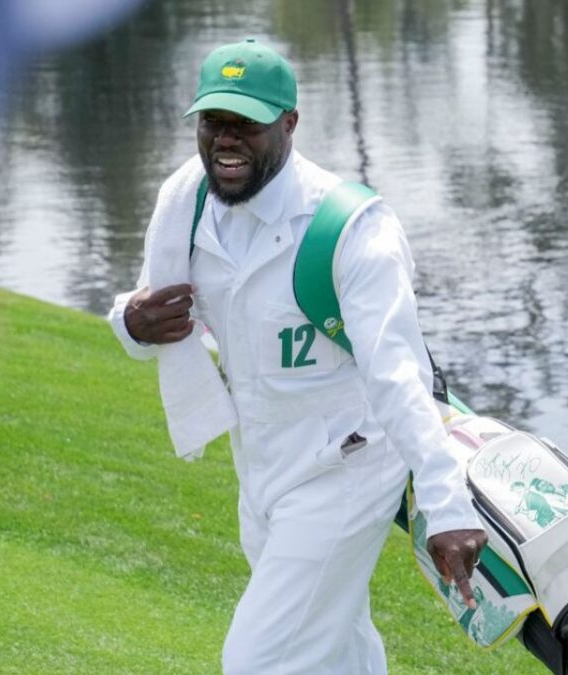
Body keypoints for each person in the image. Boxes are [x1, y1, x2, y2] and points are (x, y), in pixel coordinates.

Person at [108, 39, 487, 674]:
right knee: (338, 646)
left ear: (290, 123)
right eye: (213, 122)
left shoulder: (353, 229)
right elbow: (146, 300)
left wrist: (447, 504)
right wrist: (130, 323)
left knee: (257, 661)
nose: (226, 140)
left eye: (247, 124)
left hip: (348, 467)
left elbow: (399, 375)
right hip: (260, 463)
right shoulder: (187, 204)